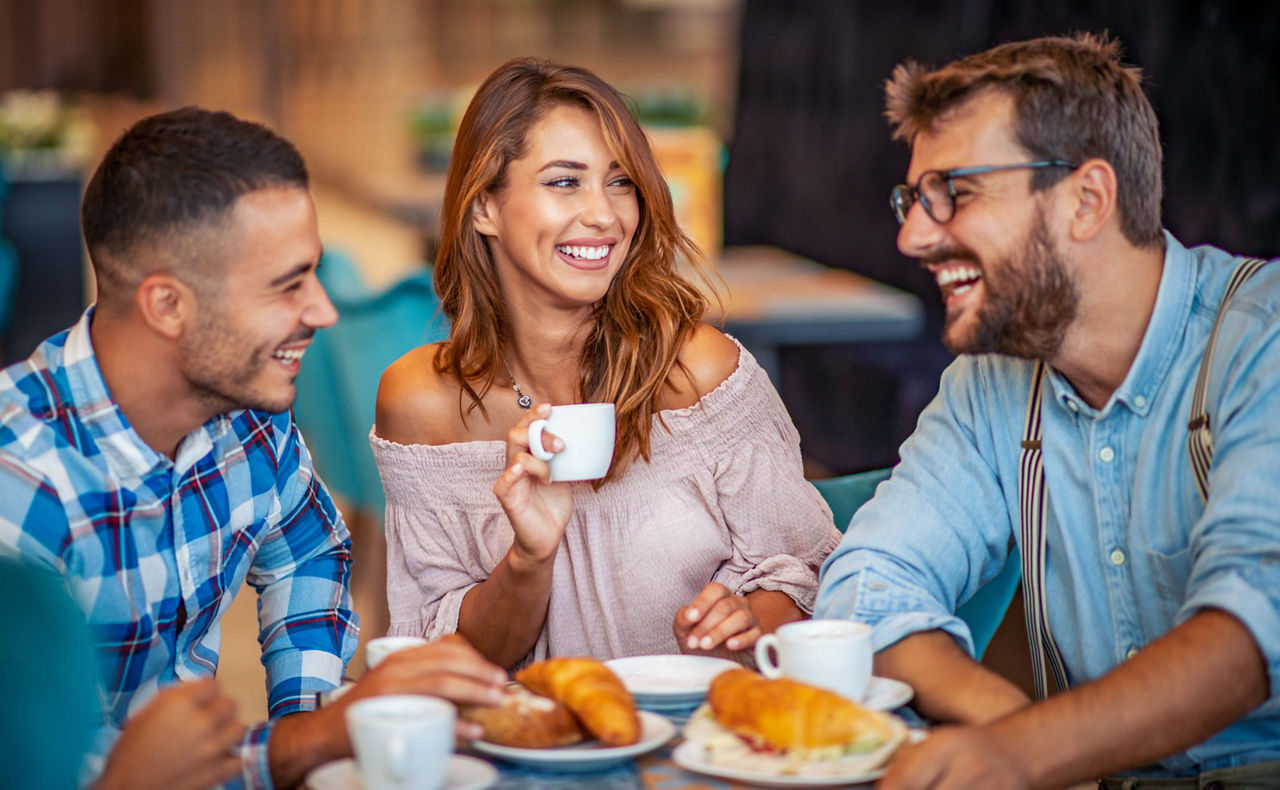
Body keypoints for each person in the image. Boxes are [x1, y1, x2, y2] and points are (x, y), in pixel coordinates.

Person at [815, 33, 1280, 788]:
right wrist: (1009, 728)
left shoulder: (1263, 343)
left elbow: (1252, 631)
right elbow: (868, 583)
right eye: (912, 199)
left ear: (1087, 199)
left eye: (954, 193)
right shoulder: (991, 384)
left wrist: (1023, 752)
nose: (911, 236)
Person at [0, 107, 507, 790]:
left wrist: (312, 717)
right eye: (287, 284)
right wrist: (309, 740)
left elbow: (309, 548)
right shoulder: (20, 484)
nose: (325, 311)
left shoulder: (243, 412)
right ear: (168, 305)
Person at [373, 57, 840, 670]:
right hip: (521, 755)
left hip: (703, 744)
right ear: (484, 206)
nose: (605, 214)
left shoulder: (699, 373)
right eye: (565, 181)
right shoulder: (422, 402)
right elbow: (447, 661)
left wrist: (751, 619)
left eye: (620, 182)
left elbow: (807, 577)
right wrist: (528, 561)